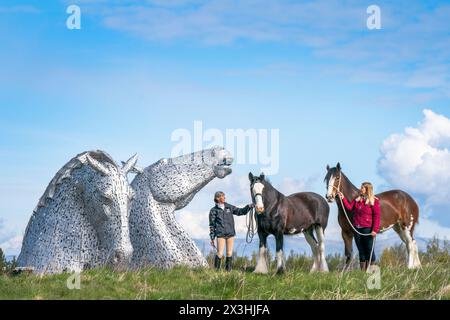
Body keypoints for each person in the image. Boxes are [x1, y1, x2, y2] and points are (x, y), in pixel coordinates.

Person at [338, 182, 380, 271]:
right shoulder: (357, 200)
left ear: (367, 189)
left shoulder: (374, 201)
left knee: (369, 250)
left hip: (367, 229)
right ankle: (363, 273)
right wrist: (343, 198)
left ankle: (372, 271)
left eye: (362, 188)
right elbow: (349, 208)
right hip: (357, 228)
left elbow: (377, 216)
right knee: (361, 251)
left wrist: (375, 230)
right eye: (361, 187)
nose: (360, 189)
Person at [209, 191, 253, 272]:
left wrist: (249, 206)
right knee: (220, 253)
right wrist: (212, 238)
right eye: (222, 196)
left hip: (230, 233)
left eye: (224, 196)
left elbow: (240, 211)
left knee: (229, 253)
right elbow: (212, 225)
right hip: (220, 234)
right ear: (218, 198)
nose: (224, 197)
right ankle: (216, 272)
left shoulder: (229, 207)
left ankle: (228, 272)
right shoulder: (213, 211)